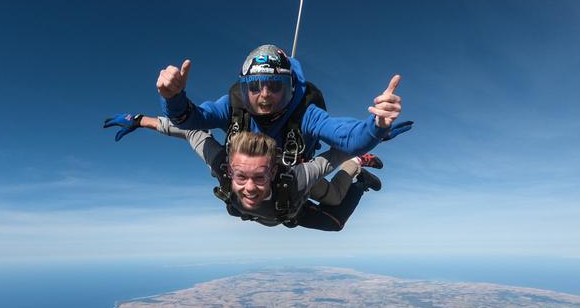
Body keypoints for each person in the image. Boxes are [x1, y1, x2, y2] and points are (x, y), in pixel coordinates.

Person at [104, 114, 384, 231]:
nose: (249, 187)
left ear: (273, 170)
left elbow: (333, 156)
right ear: (231, 170)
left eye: (259, 177)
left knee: (335, 205)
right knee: (333, 202)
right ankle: (357, 168)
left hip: (293, 198)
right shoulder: (223, 167)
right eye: (241, 177)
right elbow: (191, 130)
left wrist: (372, 133)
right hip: (286, 206)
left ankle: (359, 168)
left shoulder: (296, 178)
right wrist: (139, 120)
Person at [155, 44, 411, 165]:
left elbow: (345, 136)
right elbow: (192, 119)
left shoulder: (304, 113)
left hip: (294, 171)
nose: (264, 94)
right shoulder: (232, 106)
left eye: (275, 86)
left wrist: (375, 127)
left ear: (289, 88)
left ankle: (357, 168)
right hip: (255, 179)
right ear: (244, 89)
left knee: (330, 208)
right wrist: (173, 99)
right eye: (254, 87)